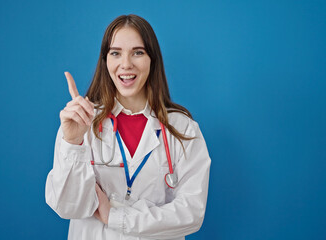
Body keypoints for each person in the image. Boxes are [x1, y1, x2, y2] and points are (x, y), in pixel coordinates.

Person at [45, 14, 211, 240]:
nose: (126, 64)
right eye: (115, 53)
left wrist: (115, 217)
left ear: (152, 59)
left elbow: (191, 213)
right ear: (105, 60)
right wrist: (73, 143)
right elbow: (67, 207)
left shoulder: (182, 129)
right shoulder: (82, 121)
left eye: (138, 52)